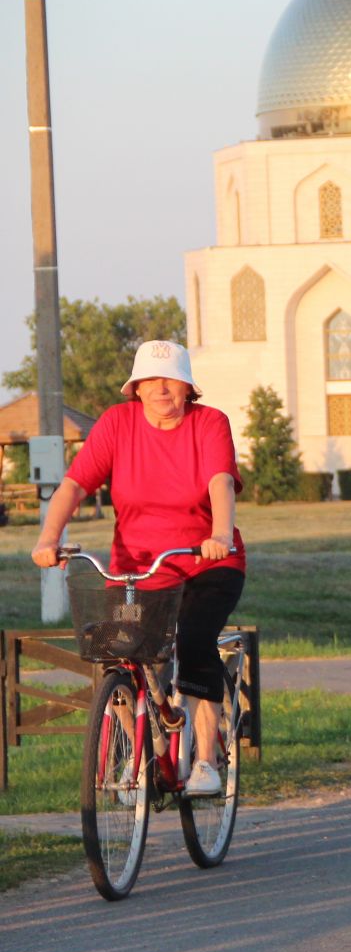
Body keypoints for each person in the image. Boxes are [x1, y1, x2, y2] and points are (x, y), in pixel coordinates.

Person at [32, 341, 246, 797]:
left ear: (188, 388)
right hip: (139, 568)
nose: (161, 389)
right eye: (150, 380)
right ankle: (138, 755)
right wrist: (48, 538)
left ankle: (206, 759)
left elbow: (220, 481)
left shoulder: (209, 423)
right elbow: (74, 484)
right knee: (115, 652)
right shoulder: (117, 423)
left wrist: (221, 533)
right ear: (136, 387)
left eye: (171, 380)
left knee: (194, 640)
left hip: (206, 560)